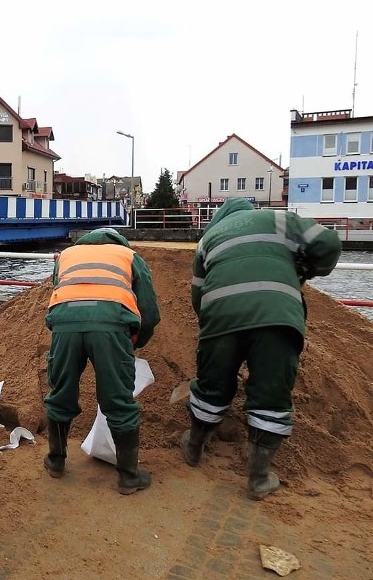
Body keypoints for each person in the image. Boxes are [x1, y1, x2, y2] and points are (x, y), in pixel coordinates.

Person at [184, 198, 341, 500]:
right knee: (270, 393)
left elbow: (197, 294)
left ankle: (193, 448)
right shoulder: (279, 220)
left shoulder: (208, 240)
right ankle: (258, 479)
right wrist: (308, 270)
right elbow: (327, 242)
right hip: (277, 317)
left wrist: (214, 326)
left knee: (211, 386)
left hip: (220, 318)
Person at [43, 227, 160, 494]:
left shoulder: (66, 255)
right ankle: (129, 476)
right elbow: (149, 311)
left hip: (65, 325)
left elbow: (59, 289)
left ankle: (56, 461)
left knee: (60, 391)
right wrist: (135, 341)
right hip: (110, 326)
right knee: (118, 399)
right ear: (118, 241)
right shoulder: (129, 255)